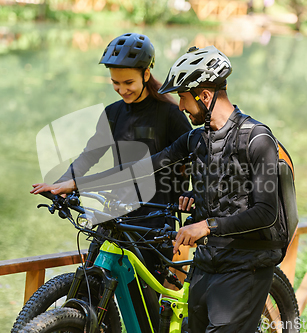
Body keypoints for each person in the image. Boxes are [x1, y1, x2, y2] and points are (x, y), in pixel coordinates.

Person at [43, 45, 286, 333]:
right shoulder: (197, 140)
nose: (180, 106)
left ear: (204, 95)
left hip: (247, 265)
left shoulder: (258, 140)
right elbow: (140, 169)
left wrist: (206, 226)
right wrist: (78, 182)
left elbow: (266, 213)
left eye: (184, 97)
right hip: (207, 263)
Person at [31, 32, 192, 283]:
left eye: (128, 82)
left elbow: (195, 161)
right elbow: (90, 155)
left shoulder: (170, 114)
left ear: (146, 74)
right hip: (118, 214)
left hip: (155, 220)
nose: (121, 90)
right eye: (115, 83)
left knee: (148, 297)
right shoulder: (113, 113)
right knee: (94, 282)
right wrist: (62, 184)